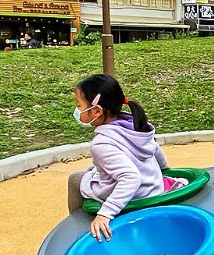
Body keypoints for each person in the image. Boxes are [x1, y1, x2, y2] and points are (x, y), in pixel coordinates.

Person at [68, 74, 185, 241]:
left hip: (136, 196)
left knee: (75, 179)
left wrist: (106, 213)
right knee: (91, 170)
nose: (77, 110)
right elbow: (155, 148)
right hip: (153, 187)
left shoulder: (101, 144)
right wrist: (164, 171)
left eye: (79, 105)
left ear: (96, 111)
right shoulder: (134, 125)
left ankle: (79, 232)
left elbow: (131, 177)